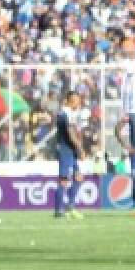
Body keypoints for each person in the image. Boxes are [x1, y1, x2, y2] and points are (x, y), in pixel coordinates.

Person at [53, 92, 85, 220]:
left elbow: (76, 133)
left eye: (78, 100)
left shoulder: (73, 114)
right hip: (65, 150)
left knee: (78, 177)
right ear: (67, 101)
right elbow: (70, 134)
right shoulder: (64, 114)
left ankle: (70, 207)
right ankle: (59, 210)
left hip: (71, 151)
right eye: (74, 101)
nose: (77, 103)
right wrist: (80, 149)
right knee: (64, 180)